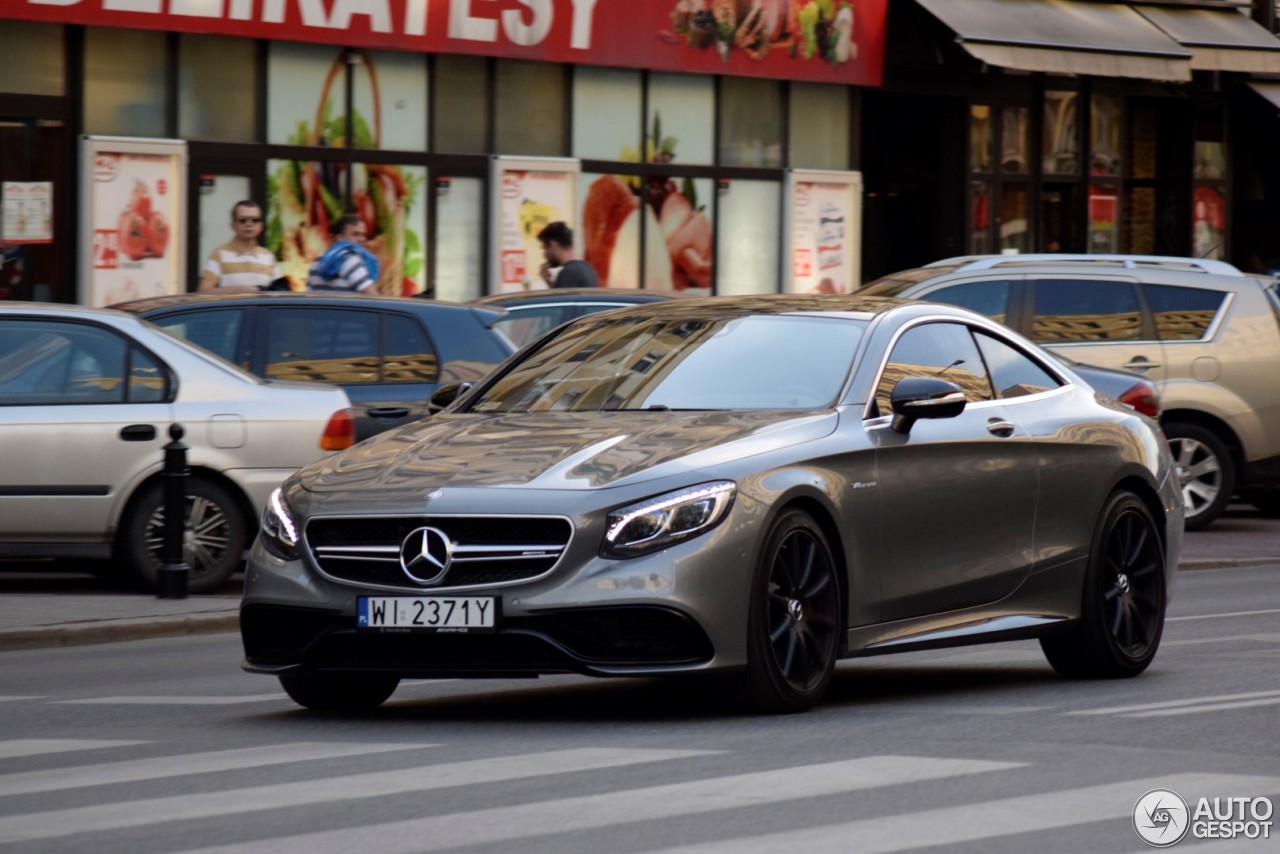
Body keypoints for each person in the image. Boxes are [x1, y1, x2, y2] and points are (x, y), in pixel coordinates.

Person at [198, 200, 280, 292]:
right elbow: (203, 291)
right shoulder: (219, 254)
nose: (249, 224)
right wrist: (244, 290)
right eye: (242, 220)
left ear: (261, 226)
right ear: (233, 225)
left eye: (255, 220)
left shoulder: (268, 257)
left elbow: (279, 293)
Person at [306, 214, 379, 293]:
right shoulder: (349, 259)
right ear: (339, 238)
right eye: (355, 234)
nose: (362, 239)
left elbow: (308, 297)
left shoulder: (317, 262)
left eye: (363, 235)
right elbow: (373, 298)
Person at [537, 221, 598, 289]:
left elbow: (559, 299)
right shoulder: (588, 269)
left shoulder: (568, 273)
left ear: (553, 245)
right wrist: (550, 283)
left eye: (545, 248)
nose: (544, 255)